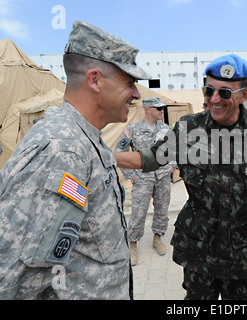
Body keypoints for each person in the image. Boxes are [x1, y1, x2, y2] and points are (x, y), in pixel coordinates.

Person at [114, 54, 247, 300]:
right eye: (208, 90)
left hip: (246, 255)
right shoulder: (188, 128)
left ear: (244, 95)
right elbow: (148, 158)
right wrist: (103, 155)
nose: (214, 99)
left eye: (224, 93)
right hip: (199, 252)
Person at [0, 20, 150, 300]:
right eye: (129, 82)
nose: (137, 94)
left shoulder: (86, 140)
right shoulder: (62, 150)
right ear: (94, 80)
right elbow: (12, 282)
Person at [115, 97, 176, 263]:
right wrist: (129, 174)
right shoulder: (133, 129)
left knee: (162, 209)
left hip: (162, 176)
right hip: (143, 177)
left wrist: (172, 165)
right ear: (148, 109)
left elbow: (174, 147)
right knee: (139, 211)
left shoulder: (166, 128)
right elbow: (119, 150)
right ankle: (133, 242)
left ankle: (158, 237)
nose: (162, 111)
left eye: (162, 108)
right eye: (158, 109)